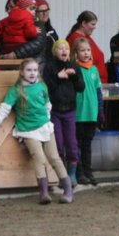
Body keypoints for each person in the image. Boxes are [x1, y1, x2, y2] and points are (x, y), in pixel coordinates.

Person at [0, 58, 74, 204]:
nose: (32, 73)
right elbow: (4, 109)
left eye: (35, 70)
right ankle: (44, 193)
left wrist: (46, 120)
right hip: (28, 130)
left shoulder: (42, 86)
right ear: (21, 72)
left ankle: (68, 190)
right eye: (29, 70)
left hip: (45, 127)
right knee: (39, 158)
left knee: (54, 157)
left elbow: (47, 105)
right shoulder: (16, 90)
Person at [42, 39, 81, 185]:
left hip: (70, 110)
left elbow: (81, 88)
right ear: (54, 52)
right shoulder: (49, 67)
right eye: (60, 48)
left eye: (66, 48)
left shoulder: (74, 66)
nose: (64, 50)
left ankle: (72, 174)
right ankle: (60, 174)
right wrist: (58, 77)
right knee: (57, 143)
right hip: (54, 111)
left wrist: (75, 76)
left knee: (71, 143)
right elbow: (46, 88)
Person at [72, 37, 104, 185]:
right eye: (82, 50)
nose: (86, 53)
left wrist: (100, 110)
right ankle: (79, 173)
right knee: (77, 144)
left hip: (92, 113)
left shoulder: (94, 70)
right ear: (76, 53)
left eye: (88, 50)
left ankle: (88, 171)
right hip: (78, 114)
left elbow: (98, 91)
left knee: (87, 144)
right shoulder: (74, 69)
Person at [66, 11, 108, 84]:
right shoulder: (76, 38)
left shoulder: (86, 37)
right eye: (92, 24)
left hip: (96, 80)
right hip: (89, 81)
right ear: (84, 23)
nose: (95, 27)